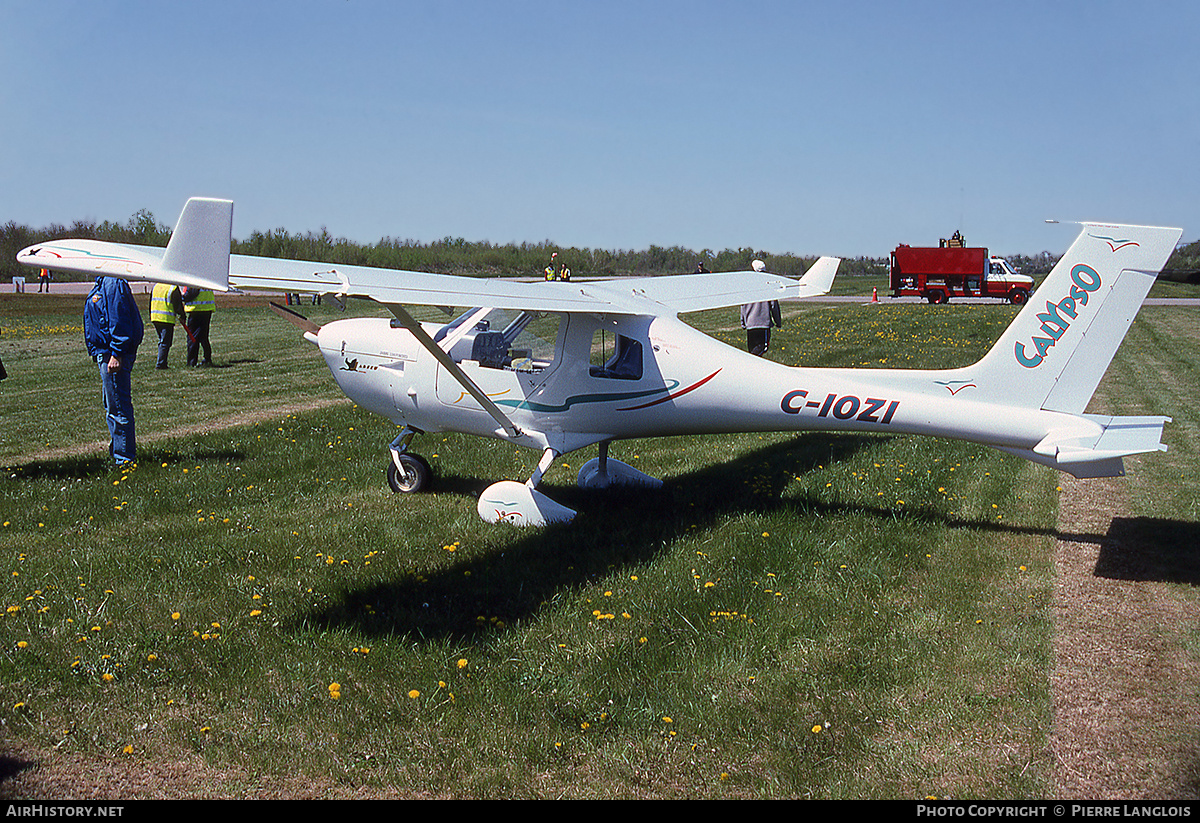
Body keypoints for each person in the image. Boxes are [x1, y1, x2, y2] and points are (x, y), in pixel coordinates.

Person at [83, 276, 144, 464]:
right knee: (112, 406)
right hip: (106, 352)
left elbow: (118, 319)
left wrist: (117, 353)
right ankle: (119, 450)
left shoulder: (112, 283)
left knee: (118, 406)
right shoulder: (104, 282)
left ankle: (124, 458)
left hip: (113, 354)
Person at [740, 260, 781, 356]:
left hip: (750, 324)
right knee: (762, 348)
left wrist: (743, 322)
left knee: (752, 349)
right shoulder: (768, 286)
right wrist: (778, 321)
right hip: (763, 324)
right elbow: (774, 305)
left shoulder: (746, 287)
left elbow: (742, 306)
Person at [149, 282, 186, 369]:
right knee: (165, 342)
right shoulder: (173, 287)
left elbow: (151, 301)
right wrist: (182, 315)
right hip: (166, 318)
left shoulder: (156, 286)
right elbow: (177, 305)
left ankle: (162, 362)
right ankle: (160, 364)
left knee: (162, 341)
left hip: (155, 317)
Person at [181, 286, 215, 366]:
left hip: (196, 310)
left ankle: (191, 362)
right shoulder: (207, 279)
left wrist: (182, 297)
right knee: (203, 336)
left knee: (192, 337)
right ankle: (207, 358)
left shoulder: (195, 279)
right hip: (207, 309)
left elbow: (191, 294)